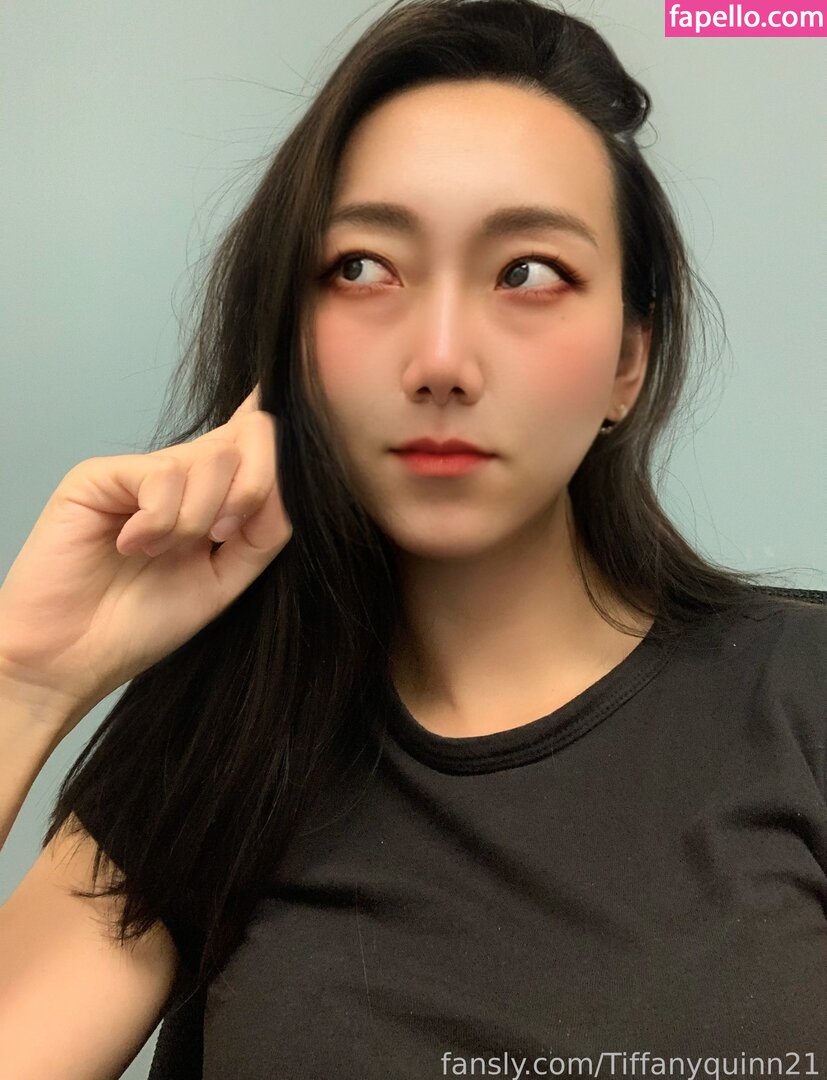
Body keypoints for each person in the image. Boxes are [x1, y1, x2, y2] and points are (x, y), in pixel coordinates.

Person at [0, 0, 824, 1076]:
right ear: (289, 335)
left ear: (628, 360)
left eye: (527, 272)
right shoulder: (212, 750)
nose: (439, 360)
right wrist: (24, 681)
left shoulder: (801, 697)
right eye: (362, 269)